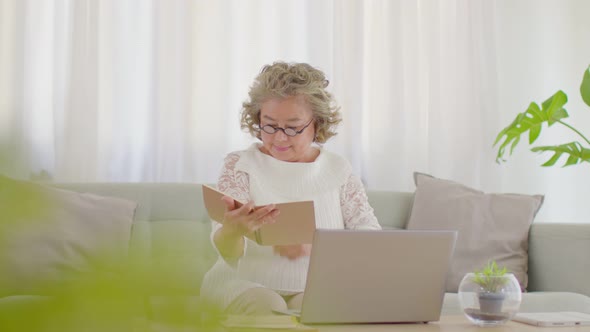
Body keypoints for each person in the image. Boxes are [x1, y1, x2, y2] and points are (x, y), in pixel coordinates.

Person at [200, 61, 381, 315]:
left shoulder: (338, 170)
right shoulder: (241, 165)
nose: (279, 137)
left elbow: (371, 239)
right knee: (268, 306)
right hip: (241, 283)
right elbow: (227, 252)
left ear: (317, 123)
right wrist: (232, 231)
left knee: (318, 307)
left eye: (293, 128)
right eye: (270, 125)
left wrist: (314, 248)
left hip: (311, 287)